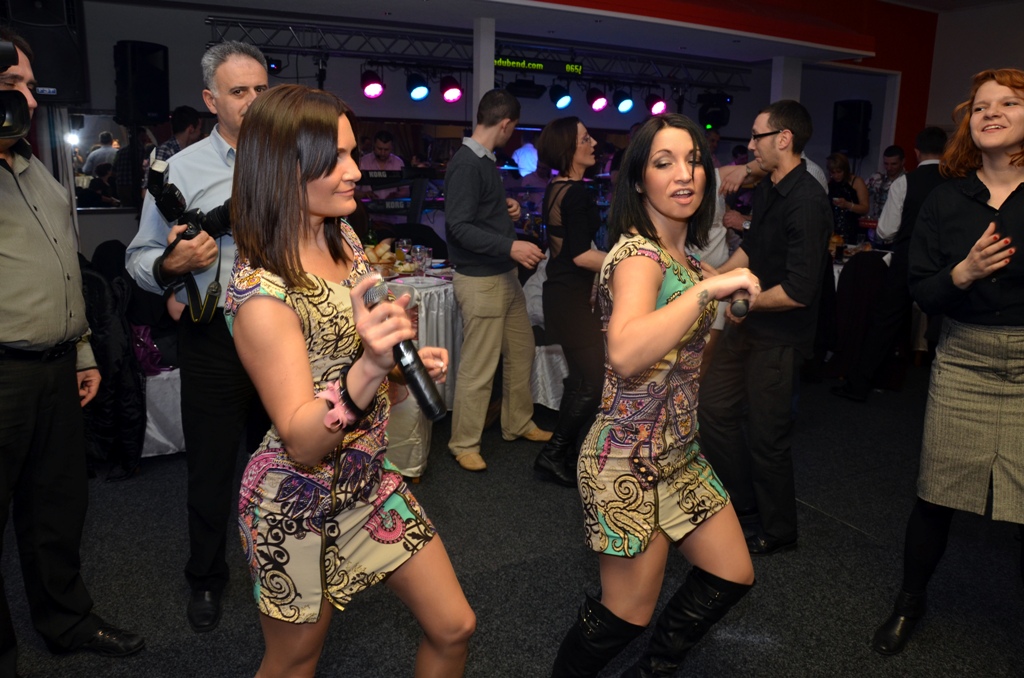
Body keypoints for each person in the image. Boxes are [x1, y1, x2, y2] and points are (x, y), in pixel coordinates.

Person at [225, 83, 474, 678]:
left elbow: (365, 365)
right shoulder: (261, 293)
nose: (356, 171)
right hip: (294, 499)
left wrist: (400, 369)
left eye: (352, 152)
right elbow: (302, 440)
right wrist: (369, 367)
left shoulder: (345, 239)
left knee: (454, 627)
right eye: (335, 157)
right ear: (285, 168)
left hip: (368, 480)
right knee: (294, 660)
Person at [550, 113, 757, 678]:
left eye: (694, 160)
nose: (684, 174)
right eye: (664, 163)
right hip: (626, 460)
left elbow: (686, 354)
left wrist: (721, 291)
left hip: (679, 451)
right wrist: (709, 293)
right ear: (639, 181)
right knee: (626, 615)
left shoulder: (685, 258)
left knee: (733, 572)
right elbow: (624, 352)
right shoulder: (638, 257)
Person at [0, 25, 144, 674]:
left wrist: (83, 350)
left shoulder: (35, 169)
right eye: (12, 84)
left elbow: (64, 269)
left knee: (57, 508)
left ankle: (66, 621)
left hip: (57, 368)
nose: (30, 99)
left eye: (31, 86)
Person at [871, 68, 1024, 656]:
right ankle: (909, 602)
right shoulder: (945, 198)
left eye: (1008, 103)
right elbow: (923, 292)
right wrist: (964, 272)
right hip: (964, 361)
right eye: (980, 106)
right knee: (936, 495)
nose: (990, 113)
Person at [125, 40, 269, 633]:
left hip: (287, 336)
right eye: (239, 91)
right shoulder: (180, 170)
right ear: (211, 100)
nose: (254, 101)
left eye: (261, 89)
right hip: (215, 337)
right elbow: (139, 257)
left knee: (289, 460)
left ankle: (281, 563)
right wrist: (172, 267)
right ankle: (206, 578)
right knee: (210, 469)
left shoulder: (295, 156)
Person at [698, 100, 833, 556]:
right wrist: (717, 276)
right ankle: (743, 504)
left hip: (779, 337)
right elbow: (753, 248)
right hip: (750, 325)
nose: (751, 144)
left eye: (758, 135)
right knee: (714, 409)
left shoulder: (807, 201)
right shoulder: (771, 187)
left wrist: (740, 301)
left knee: (766, 437)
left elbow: (799, 290)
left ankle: (778, 532)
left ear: (784, 138)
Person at [444, 88, 550, 472]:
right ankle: (463, 443)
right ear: (506, 124)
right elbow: (457, 227)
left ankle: (517, 422)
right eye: (513, 128)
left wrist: (507, 211)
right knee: (480, 367)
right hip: (481, 280)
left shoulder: (483, 161)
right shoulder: (467, 163)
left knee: (521, 352)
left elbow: (477, 215)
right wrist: (511, 246)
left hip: (502, 277)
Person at [831, 126, 949, 403]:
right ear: (946, 151)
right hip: (945, 263)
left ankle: (860, 385)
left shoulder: (906, 182)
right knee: (946, 323)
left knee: (885, 321)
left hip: (908, 259)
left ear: (916, 153)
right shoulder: (958, 181)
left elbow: (885, 231)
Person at [531, 116, 605, 487]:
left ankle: (566, 453)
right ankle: (553, 453)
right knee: (594, 381)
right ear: (568, 149)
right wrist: (632, 260)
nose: (594, 143)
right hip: (569, 297)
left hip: (563, 293)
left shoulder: (557, 187)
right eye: (585, 139)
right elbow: (580, 255)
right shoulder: (575, 193)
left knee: (580, 380)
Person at [826, 152, 869, 243]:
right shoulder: (830, 184)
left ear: (845, 170)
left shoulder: (857, 182)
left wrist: (847, 205)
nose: (836, 175)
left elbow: (865, 208)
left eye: (839, 172)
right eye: (833, 172)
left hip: (853, 230)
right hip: (833, 231)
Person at [864, 145, 906, 219]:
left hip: (899, 223)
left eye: (893, 164)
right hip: (877, 222)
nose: (889, 168)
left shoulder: (908, 180)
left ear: (902, 162)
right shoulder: (876, 178)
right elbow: (859, 195)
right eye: (886, 164)